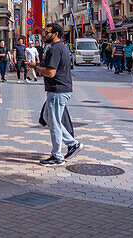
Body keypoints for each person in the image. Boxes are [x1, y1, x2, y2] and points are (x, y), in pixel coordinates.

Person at [35, 22, 82, 165]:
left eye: (47, 32)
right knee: (47, 117)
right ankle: (72, 143)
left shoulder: (54, 49)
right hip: (61, 89)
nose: (45, 35)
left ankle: (57, 156)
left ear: (55, 34)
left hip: (57, 90)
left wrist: (35, 67)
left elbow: (50, 72)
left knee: (54, 122)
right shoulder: (62, 48)